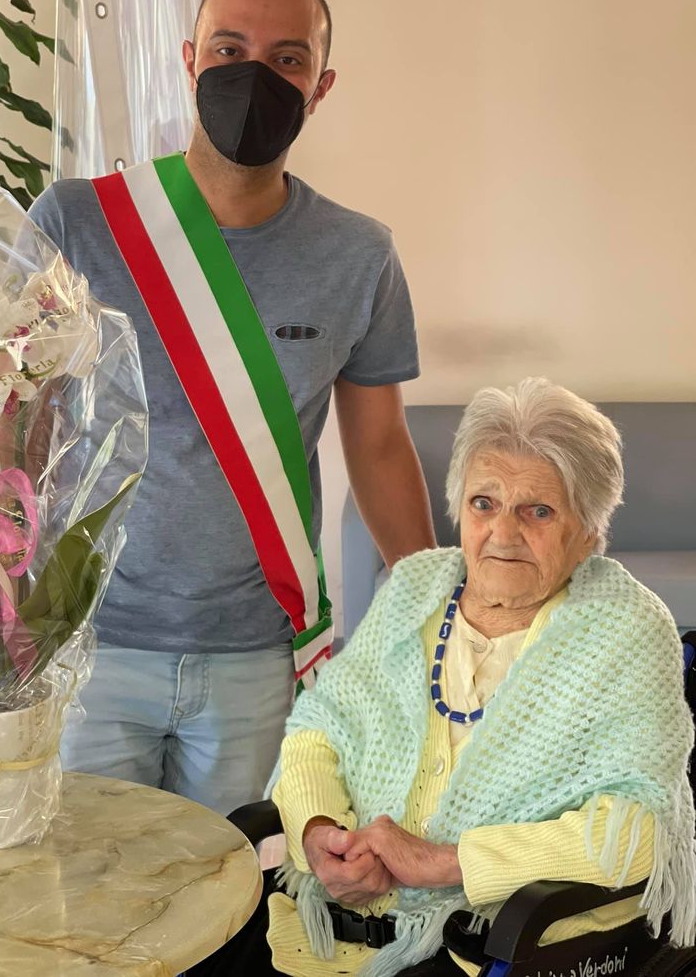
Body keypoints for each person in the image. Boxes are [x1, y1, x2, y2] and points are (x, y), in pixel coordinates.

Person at [28, 0, 436, 815]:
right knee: (90, 884)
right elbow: (14, 416)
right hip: (92, 643)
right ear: (190, 60)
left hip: (258, 653)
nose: (254, 75)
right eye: (228, 49)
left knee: (237, 884)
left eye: (287, 59)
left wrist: (432, 610)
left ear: (319, 86)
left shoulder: (358, 255)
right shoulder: (77, 222)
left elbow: (377, 445)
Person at [192, 377, 696, 976]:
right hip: (321, 923)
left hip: (493, 944)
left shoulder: (624, 627)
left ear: (588, 531)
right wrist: (320, 833)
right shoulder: (415, 588)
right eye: (484, 503)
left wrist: (447, 862)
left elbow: (638, 832)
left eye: (538, 511)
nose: (503, 533)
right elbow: (320, 731)